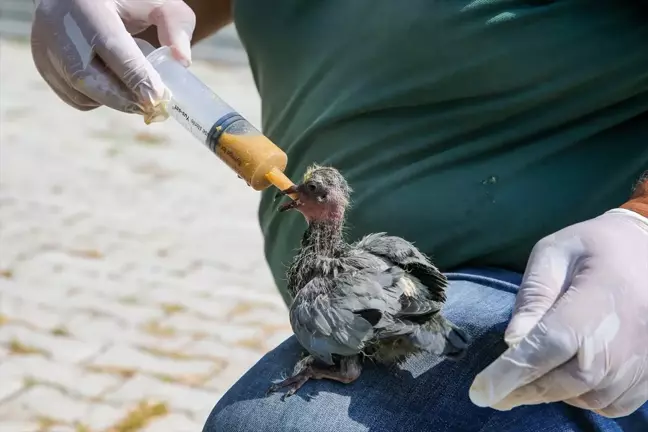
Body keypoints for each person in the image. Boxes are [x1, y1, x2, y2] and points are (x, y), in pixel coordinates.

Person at [31, 1, 648, 430]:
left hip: (564, 296)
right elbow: (171, 13)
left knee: (290, 423)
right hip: (392, 287)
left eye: (307, 197)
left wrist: (642, 223)